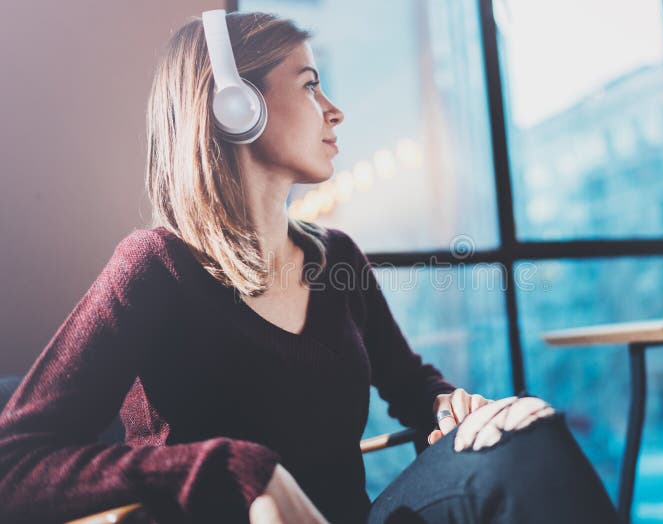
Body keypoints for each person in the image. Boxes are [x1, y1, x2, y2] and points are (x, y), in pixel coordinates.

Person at [0, 11, 619, 524]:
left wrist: (458, 411)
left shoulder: (335, 257)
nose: (334, 109)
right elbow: (14, 463)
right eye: (308, 84)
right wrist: (231, 469)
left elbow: (410, 384)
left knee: (526, 433)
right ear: (235, 107)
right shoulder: (155, 267)